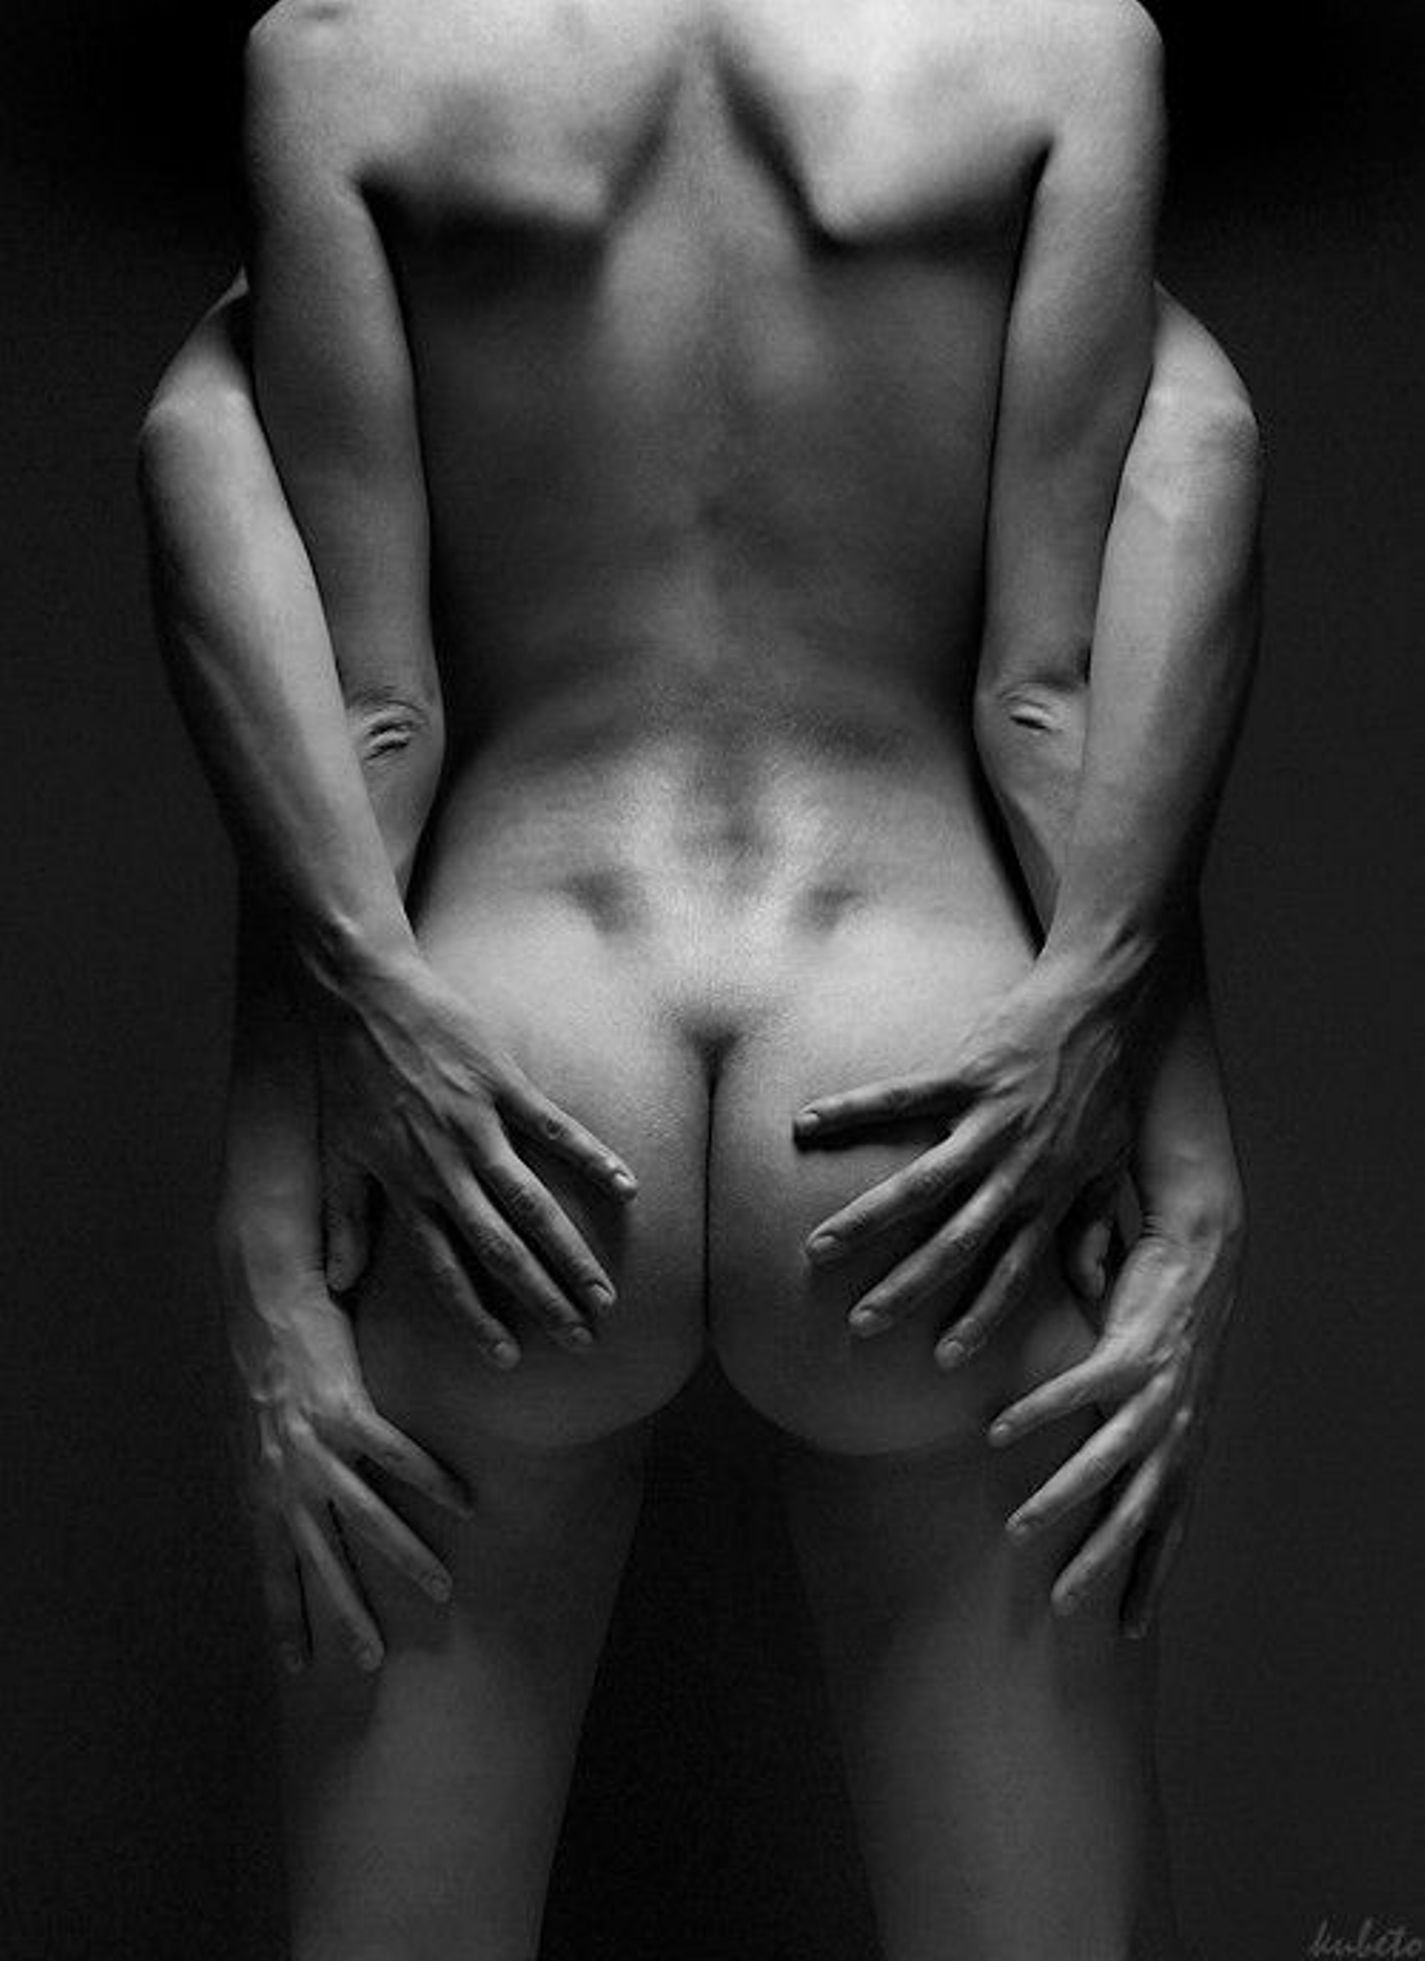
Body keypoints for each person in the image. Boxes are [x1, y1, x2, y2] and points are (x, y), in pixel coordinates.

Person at [138, 0, 1262, 1953]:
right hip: (928, 1072)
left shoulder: (339, 60)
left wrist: (268, 1203)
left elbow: (368, 718)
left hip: (512, 1079)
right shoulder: (1065, 49)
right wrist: (1177, 1135)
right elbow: (1048, 698)